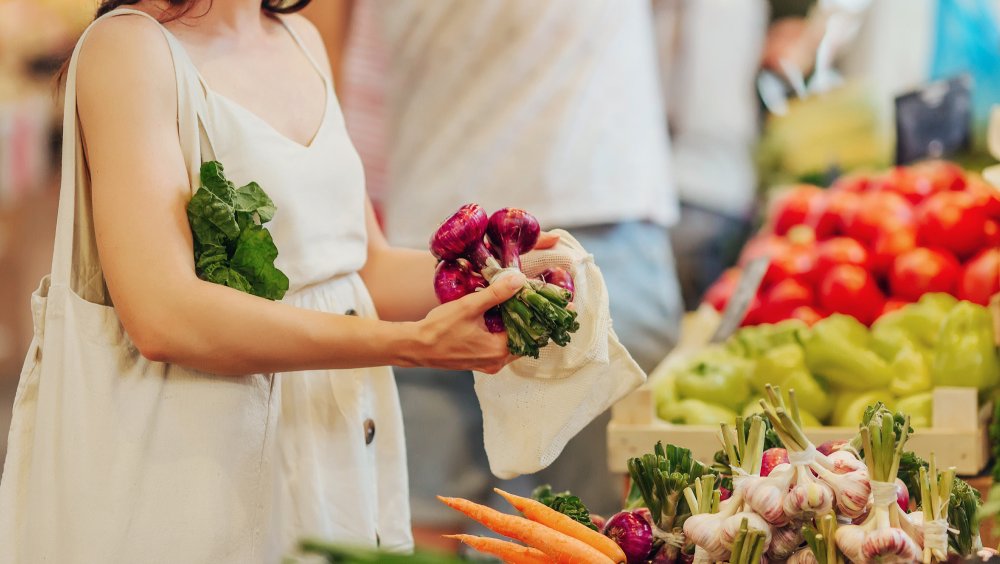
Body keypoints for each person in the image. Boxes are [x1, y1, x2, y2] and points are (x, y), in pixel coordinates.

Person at [0, 0, 564, 560]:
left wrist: (504, 274)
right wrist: (412, 346)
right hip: (206, 476)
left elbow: (361, 269)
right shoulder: (128, 49)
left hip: (336, 449)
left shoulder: (300, 38)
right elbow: (163, 316)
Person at [317, 0, 684, 546]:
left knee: (613, 531)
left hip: (592, 226)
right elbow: (314, 58)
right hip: (429, 258)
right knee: (424, 520)